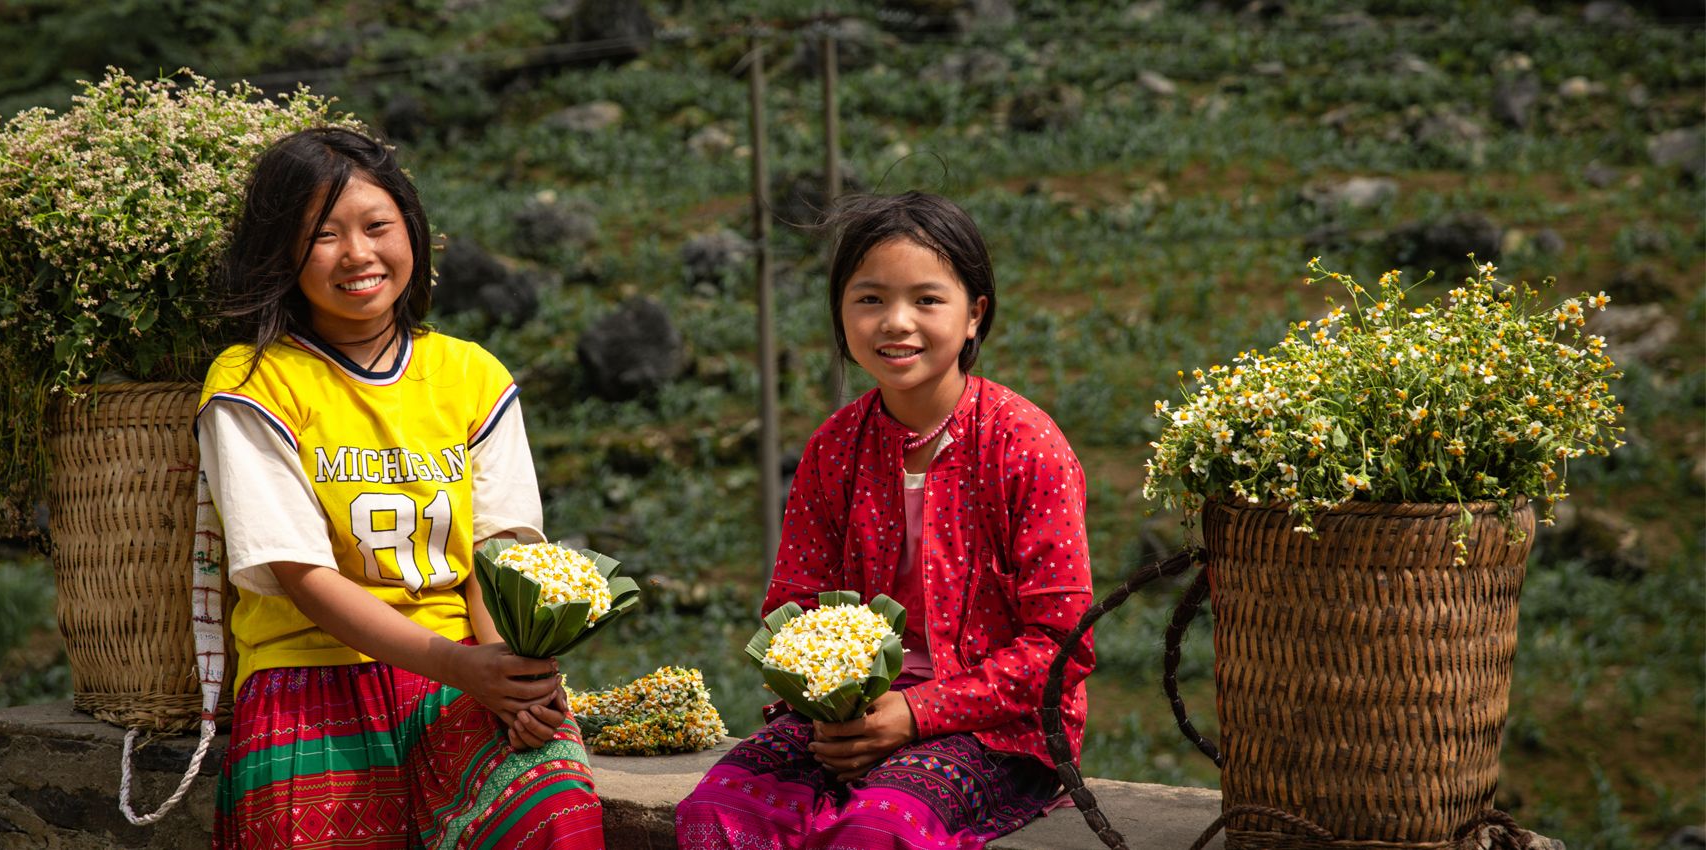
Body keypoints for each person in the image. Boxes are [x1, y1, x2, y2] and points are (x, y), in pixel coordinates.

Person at [197, 127, 602, 849]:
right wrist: (459, 666)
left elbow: (500, 558)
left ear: (411, 231)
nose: (358, 254)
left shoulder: (471, 375)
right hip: (305, 674)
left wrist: (513, 678)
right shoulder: (251, 383)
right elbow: (299, 573)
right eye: (324, 235)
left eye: (377, 226)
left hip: (461, 666)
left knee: (554, 812)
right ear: (280, 254)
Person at [676, 192, 1097, 849]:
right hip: (846, 720)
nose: (896, 323)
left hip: (998, 730)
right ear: (841, 314)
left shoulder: (1026, 445)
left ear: (973, 316)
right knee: (716, 810)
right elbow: (794, 606)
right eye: (869, 299)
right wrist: (837, 709)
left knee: (877, 831)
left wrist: (915, 711)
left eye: (927, 300)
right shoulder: (834, 448)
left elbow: (1061, 645)